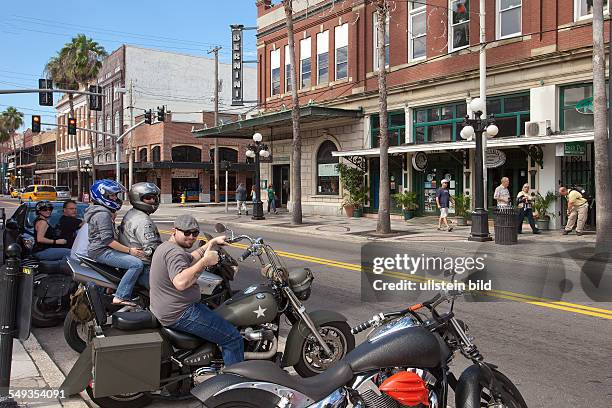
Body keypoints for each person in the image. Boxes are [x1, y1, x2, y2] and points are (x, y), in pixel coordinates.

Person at [149, 215, 243, 366]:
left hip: (168, 308)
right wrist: (205, 262)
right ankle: (235, 382)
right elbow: (180, 283)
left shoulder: (166, 247)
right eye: (186, 233)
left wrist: (210, 243)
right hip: (180, 312)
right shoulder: (175, 253)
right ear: (174, 231)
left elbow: (190, 258)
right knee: (232, 338)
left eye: (195, 233)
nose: (191, 237)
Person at [85, 179, 144, 307]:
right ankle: (121, 296)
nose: (115, 198)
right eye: (112, 195)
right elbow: (108, 241)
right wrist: (130, 251)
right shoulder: (102, 214)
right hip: (102, 251)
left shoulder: (99, 211)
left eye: (115, 195)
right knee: (136, 264)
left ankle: (111, 290)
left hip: (98, 250)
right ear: (102, 195)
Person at [119, 182, 163, 289]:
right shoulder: (144, 221)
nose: (152, 201)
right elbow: (153, 250)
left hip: (128, 263)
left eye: (155, 197)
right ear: (137, 198)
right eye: (148, 198)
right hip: (144, 268)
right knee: (178, 296)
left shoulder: (132, 213)